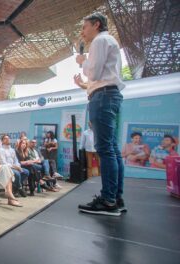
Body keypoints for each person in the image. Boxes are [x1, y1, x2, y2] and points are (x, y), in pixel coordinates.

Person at [74, 12, 126, 216]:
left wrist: (82, 60)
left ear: (96, 24)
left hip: (102, 99)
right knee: (112, 149)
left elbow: (94, 73)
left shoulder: (100, 40)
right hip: (108, 95)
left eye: (84, 27)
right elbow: (101, 78)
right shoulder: (108, 41)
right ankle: (115, 197)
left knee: (105, 150)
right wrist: (83, 86)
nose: (82, 32)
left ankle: (108, 200)